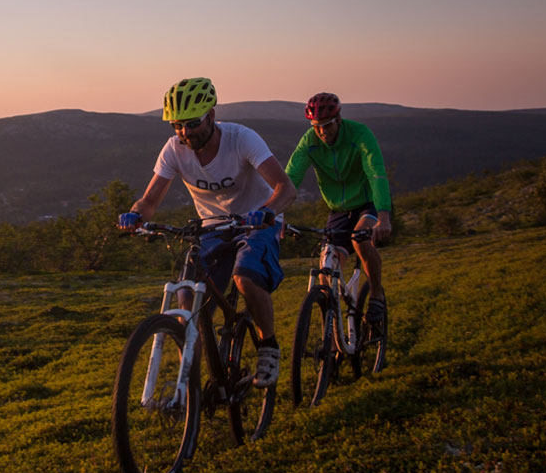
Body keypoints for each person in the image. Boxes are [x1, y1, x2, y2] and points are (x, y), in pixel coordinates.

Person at [117, 77, 296, 388]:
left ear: (211, 116)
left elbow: (286, 188)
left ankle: (268, 346)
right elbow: (150, 200)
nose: (185, 133)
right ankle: (196, 384)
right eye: (176, 125)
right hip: (212, 228)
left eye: (192, 123)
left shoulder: (242, 139)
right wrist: (135, 215)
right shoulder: (174, 149)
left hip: (257, 222)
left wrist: (267, 211)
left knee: (245, 278)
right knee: (188, 301)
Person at [284, 92, 391, 330]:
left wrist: (383, 214)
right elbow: (291, 178)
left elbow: (376, 173)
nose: (322, 132)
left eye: (327, 125)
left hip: (367, 202)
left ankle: (376, 295)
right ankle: (332, 336)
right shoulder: (309, 140)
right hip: (338, 211)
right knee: (325, 273)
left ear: (339, 119)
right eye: (317, 126)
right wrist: (276, 213)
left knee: (361, 240)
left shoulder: (359, 133)